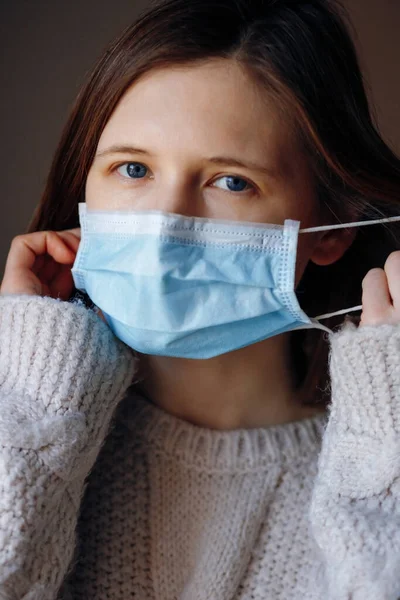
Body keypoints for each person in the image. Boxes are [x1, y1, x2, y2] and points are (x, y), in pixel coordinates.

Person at [1, 0, 400, 597]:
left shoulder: (385, 457)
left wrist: (385, 448)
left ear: (334, 227)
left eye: (231, 181)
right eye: (133, 170)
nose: (164, 225)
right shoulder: (22, 428)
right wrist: (32, 403)